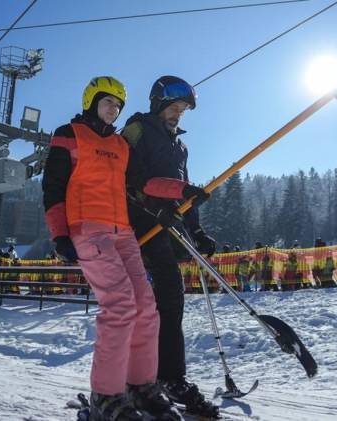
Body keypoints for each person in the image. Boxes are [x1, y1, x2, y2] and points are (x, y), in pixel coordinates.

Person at [42, 76, 186, 420]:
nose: (114, 108)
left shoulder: (120, 145)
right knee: (120, 306)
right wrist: (59, 234)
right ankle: (106, 395)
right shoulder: (69, 133)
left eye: (119, 104)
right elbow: (53, 186)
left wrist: (184, 189)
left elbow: (142, 183)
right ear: (92, 100)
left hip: (122, 233)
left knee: (146, 308)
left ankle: (140, 386)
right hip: (88, 229)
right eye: (108, 101)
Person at [121, 76, 219, 418]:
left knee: (170, 302)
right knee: (145, 305)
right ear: (158, 104)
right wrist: (171, 195)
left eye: (183, 109)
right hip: (136, 226)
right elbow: (131, 181)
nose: (178, 114)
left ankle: (169, 377)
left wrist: (197, 230)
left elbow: (181, 196)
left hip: (165, 227)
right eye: (174, 107)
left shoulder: (180, 146)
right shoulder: (137, 131)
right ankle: (140, 378)